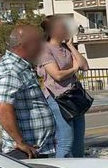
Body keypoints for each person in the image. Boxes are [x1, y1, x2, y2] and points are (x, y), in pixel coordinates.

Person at [0, 25, 55, 159]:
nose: (43, 47)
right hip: (25, 152)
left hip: (36, 149)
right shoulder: (10, 70)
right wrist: (20, 142)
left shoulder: (21, 66)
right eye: (39, 43)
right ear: (27, 45)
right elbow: (3, 108)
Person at [38, 15, 89, 158]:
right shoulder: (45, 50)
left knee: (79, 143)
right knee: (65, 141)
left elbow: (84, 66)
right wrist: (73, 69)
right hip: (57, 99)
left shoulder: (66, 48)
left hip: (74, 97)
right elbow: (57, 75)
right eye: (63, 26)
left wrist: (71, 46)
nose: (67, 28)